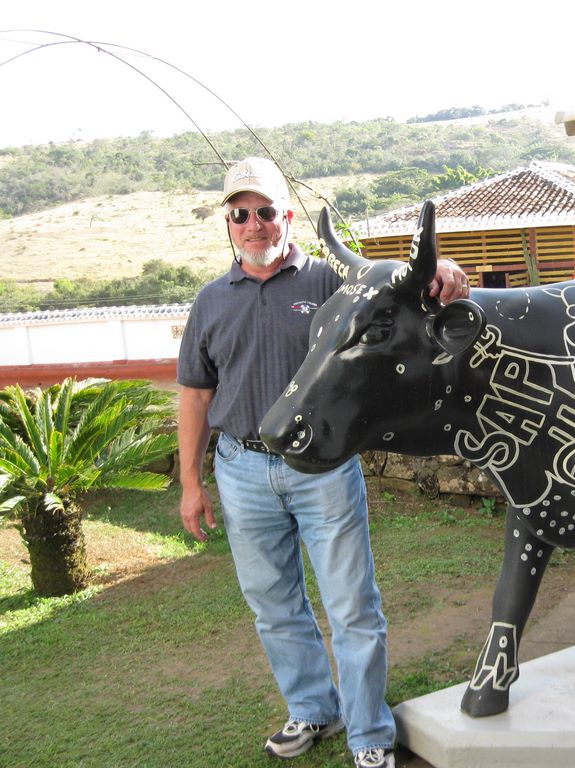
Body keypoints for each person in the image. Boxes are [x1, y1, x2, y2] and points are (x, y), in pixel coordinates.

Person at [177, 157, 470, 768]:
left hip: (323, 471)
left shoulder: (327, 285)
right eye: (240, 215)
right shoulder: (210, 302)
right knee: (273, 605)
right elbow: (196, 395)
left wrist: (441, 268)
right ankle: (313, 708)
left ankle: (368, 735)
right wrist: (191, 482)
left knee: (351, 606)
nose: (254, 225)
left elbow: (397, 289)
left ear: (287, 216)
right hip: (241, 468)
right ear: (228, 225)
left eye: (265, 212)